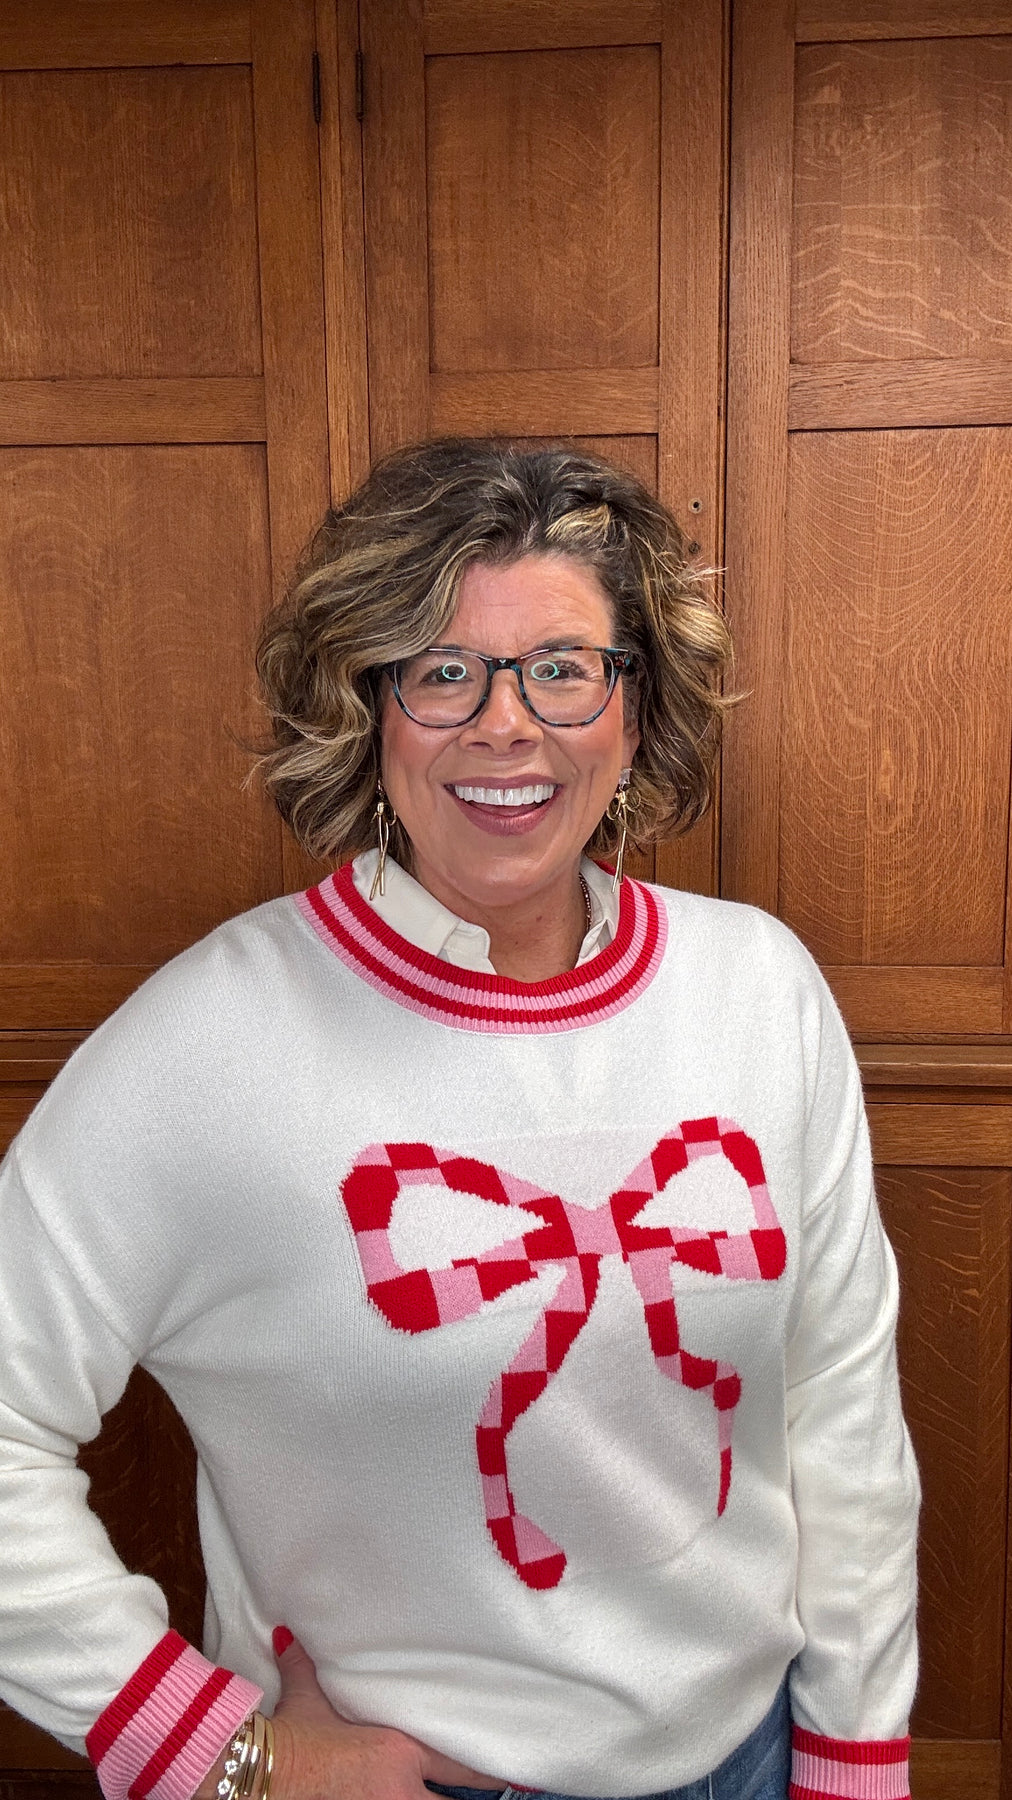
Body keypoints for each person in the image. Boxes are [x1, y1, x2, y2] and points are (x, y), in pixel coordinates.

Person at [0, 439, 918, 1800]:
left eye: (563, 667)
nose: (506, 725)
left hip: (758, 1757)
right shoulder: (202, 1048)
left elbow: (841, 1409)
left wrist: (854, 1758)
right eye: (443, 672)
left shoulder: (760, 990)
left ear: (634, 710)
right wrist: (225, 1758)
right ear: (367, 710)